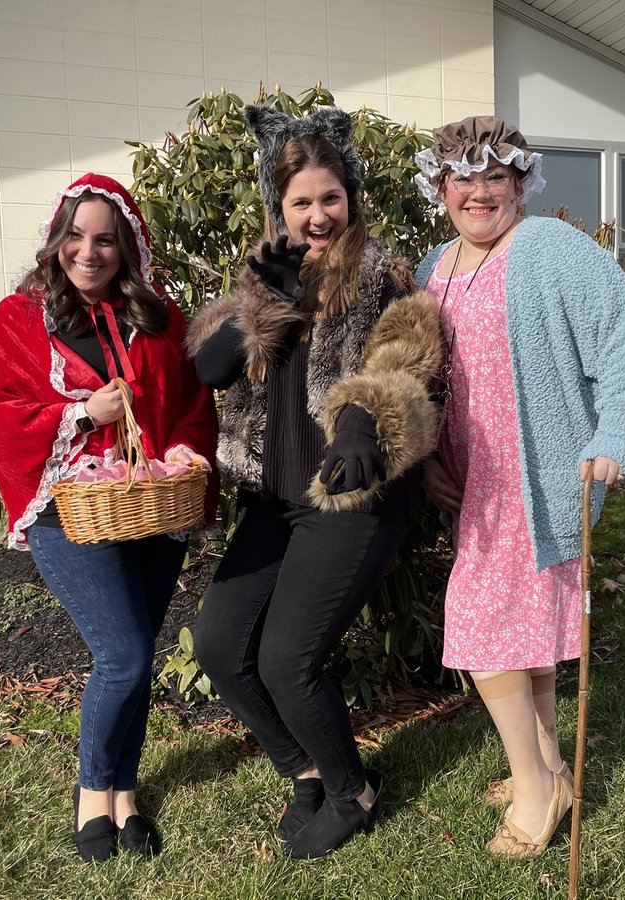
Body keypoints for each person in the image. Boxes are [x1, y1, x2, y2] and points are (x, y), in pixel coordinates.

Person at [185, 105, 443, 859]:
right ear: (280, 206)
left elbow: (405, 360)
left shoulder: (381, 275)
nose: (317, 214)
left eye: (330, 198)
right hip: (274, 502)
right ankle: (302, 770)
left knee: (286, 661)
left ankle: (353, 791)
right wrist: (259, 304)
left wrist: (362, 421)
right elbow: (207, 370)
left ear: (350, 199)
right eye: (301, 201)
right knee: (219, 645)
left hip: (348, 499)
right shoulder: (264, 277)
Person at [412, 117, 625, 858]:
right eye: (463, 177)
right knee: (520, 634)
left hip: (538, 476)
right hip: (475, 486)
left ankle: (536, 788)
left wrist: (615, 431)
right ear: (441, 188)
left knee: (480, 625)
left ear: (521, 183)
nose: (479, 192)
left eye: (496, 176)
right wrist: (430, 457)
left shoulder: (551, 249)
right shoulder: (437, 266)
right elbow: (430, 379)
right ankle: (549, 761)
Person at [0, 173, 218, 863]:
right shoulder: (18, 319)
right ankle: (91, 795)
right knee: (124, 655)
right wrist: (80, 413)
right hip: (68, 513)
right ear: (58, 240)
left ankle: (127, 793)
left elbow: (194, 403)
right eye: (77, 236)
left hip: (148, 506)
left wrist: (185, 451)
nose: (89, 251)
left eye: (105, 239)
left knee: (136, 655)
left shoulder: (159, 318)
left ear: (127, 246)